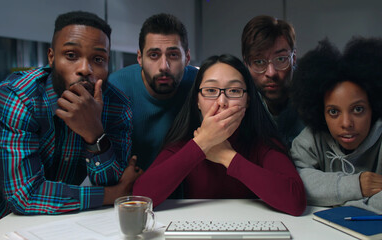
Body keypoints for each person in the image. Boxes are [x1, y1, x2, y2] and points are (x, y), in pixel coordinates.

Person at [0, 11, 141, 219]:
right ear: (51, 57)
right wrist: (111, 195)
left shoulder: (117, 105)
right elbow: (23, 196)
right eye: (71, 55)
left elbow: (111, 179)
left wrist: (94, 133)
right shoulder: (19, 97)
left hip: (72, 222)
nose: (85, 69)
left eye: (98, 59)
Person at [132, 54, 306, 216]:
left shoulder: (262, 142)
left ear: (248, 100)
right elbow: (140, 198)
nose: (222, 102)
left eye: (234, 91)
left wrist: (227, 157)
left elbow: (296, 201)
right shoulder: (184, 142)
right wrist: (201, 144)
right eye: (210, 91)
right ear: (197, 101)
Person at [290, 37, 382, 221]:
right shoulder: (315, 135)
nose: (346, 123)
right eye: (334, 111)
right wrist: (355, 186)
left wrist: (345, 206)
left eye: (358, 109)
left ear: (375, 106)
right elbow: (291, 180)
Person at [108, 13, 198, 170]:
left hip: (186, 186)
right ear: (140, 58)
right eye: (154, 55)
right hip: (134, 186)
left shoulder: (200, 84)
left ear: (187, 58)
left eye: (173, 55)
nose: (164, 66)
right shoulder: (117, 87)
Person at [241, 15, 304, 148]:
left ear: (294, 58)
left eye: (281, 59)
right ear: (246, 64)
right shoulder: (239, 103)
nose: (271, 73)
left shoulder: (316, 97)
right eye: (259, 62)